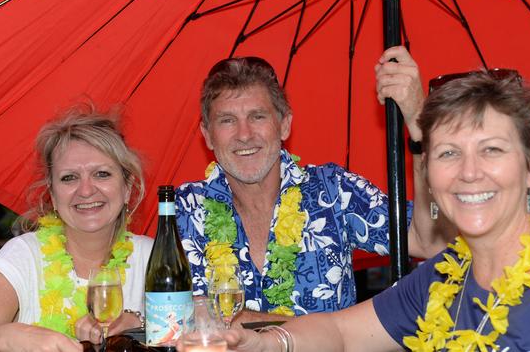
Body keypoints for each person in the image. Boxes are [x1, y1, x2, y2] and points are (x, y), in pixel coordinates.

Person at [223, 69, 530, 351]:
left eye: (491, 149)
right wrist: (268, 342)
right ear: (427, 172)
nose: (469, 172)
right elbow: (341, 333)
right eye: (448, 153)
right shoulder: (443, 277)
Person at [175, 46, 450, 323]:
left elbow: (428, 241)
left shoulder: (333, 191)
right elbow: (165, 318)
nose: (244, 135)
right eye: (227, 120)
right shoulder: (180, 211)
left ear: (284, 125)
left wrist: (418, 122)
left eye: (258, 116)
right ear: (207, 135)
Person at [0, 106, 154, 351]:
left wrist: (140, 323)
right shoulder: (24, 255)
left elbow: (195, 327)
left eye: (101, 174)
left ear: (127, 187)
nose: (86, 190)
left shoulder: (154, 256)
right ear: (53, 195)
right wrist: (12, 336)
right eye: (69, 177)